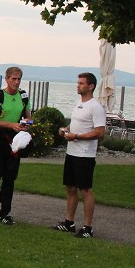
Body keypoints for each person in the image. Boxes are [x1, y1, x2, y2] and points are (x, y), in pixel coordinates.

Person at [54, 73, 107, 238]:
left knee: (85, 190)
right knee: (70, 187)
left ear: (90, 86)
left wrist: (77, 136)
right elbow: (76, 124)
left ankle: (87, 227)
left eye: (81, 83)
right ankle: (69, 222)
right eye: (77, 83)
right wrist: (67, 130)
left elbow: (100, 132)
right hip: (72, 152)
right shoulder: (79, 104)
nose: (78, 86)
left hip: (85, 155)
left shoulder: (95, 107)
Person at [0, 66, 30, 225]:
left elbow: (28, 118)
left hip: (15, 141)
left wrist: (25, 125)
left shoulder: (23, 96)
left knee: (10, 178)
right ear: (7, 79)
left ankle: (5, 213)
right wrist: (10, 125)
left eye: (19, 79)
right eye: (13, 79)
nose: (16, 82)